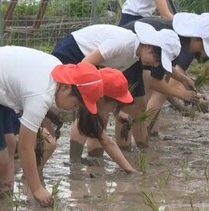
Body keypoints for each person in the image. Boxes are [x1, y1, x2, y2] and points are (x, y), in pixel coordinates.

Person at [0, 46, 136, 207]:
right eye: (75, 104)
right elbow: (26, 146)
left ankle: (2, 203)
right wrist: (37, 188)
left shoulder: (56, 71)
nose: (73, 109)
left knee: (8, 146)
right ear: (65, 87)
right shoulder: (41, 94)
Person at [51, 22, 196, 157]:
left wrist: (116, 111)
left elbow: (105, 81)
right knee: (83, 107)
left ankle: (88, 159)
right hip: (72, 53)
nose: (155, 65)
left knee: (97, 110)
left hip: (87, 64)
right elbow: (83, 67)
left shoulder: (133, 56)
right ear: (148, 47)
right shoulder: (123, 43)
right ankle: (75, 161)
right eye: (156, 60)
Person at [116, 13, 209, 138]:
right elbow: (156, 84)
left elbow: (165, 69)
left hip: (136, 57)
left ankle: (140, 144)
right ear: (196, 38)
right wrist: (184, 95)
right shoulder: (173, 42)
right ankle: (129, 144)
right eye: (202, 46)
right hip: (126, 52)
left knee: (140, 104)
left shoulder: (181, 39)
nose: (201, 51)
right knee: (130, 105)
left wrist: (183, 79)